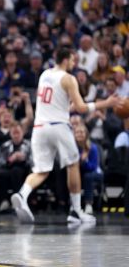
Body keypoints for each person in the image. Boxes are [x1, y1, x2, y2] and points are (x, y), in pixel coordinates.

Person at [11, 47, 121, 224]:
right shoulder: (69, 78)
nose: (74, 63)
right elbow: (81, 107)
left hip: (39, 127)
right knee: (73, 163)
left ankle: (22, 194)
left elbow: (57, 103)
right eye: (72, 59)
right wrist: (105, 103)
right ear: (66, 59)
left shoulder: (44, 75)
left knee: (41, 170)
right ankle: (76, 211)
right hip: (58, 126)